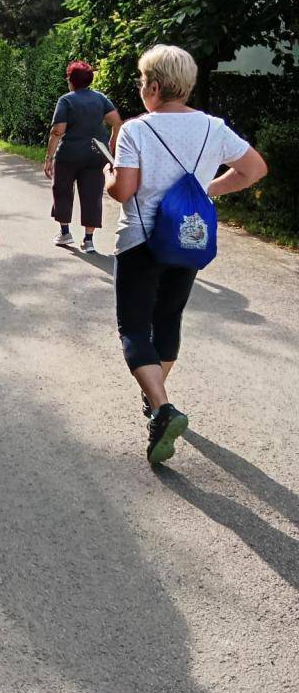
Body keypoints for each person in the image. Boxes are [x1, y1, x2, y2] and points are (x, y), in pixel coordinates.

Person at [105, 44, 267, 465]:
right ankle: (157, 399)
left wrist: (109, 176)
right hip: (188, 239)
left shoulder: (136, 130)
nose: (142, 89)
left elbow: (124, 191)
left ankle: (161, 407)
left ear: (155, 86)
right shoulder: (214, 128)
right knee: (169, 319)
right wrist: (206, 189)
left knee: (134, 329)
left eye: (143, 82)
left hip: (141, 241)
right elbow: (255, 169)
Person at [44, 61, 122, 253]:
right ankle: (88, 240)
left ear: (71, 80)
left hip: (69, 154)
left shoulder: (66, 100)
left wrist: (49, 157)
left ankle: (65, 232)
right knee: (92, 194)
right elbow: (116, 122)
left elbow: (57, 131)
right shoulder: (101, 98)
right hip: (96, 154)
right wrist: (111, 144)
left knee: (62, 189)